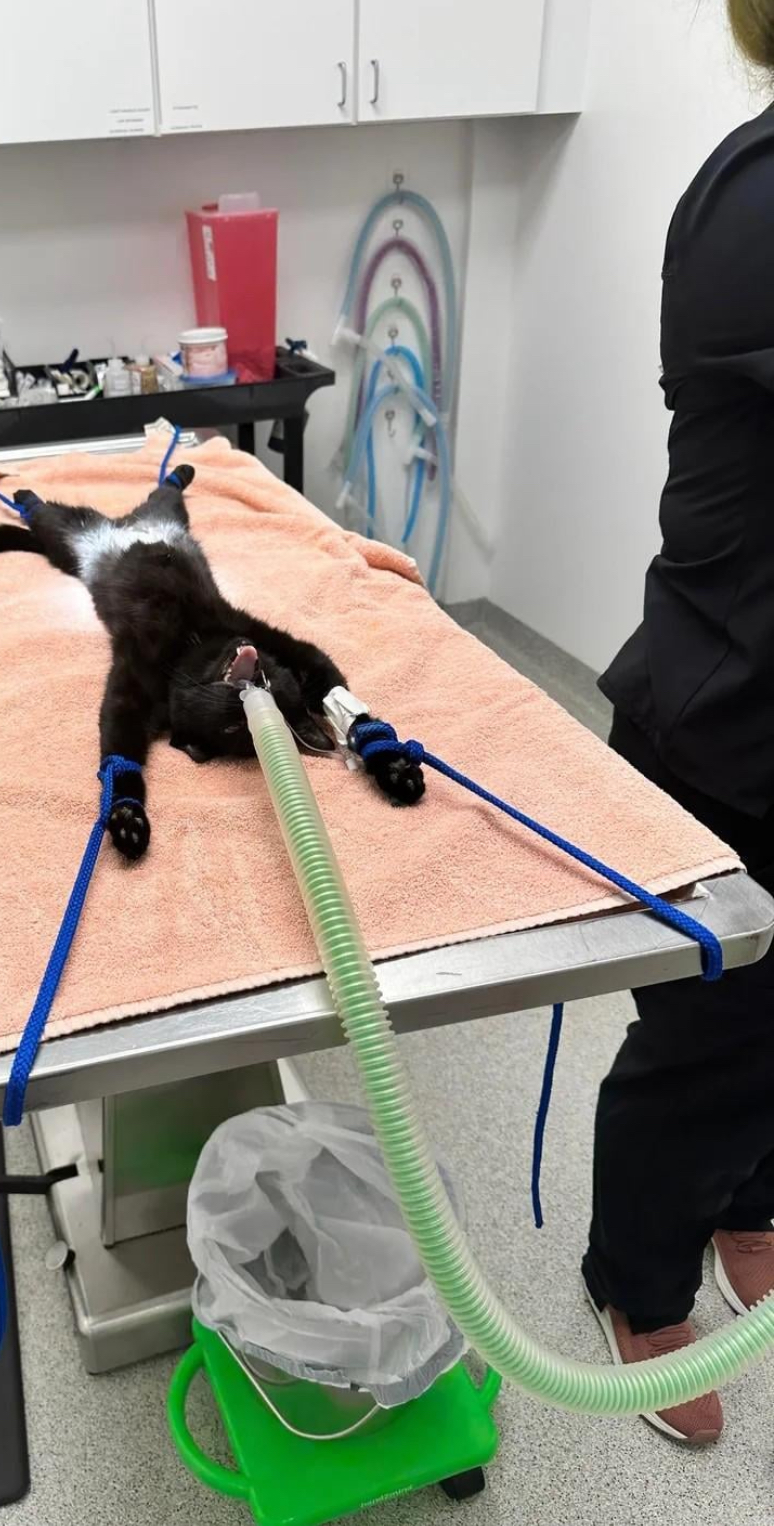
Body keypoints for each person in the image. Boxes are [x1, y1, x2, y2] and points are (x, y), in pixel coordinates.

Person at [583, 3, 774, 1446]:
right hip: (731, 728)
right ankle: (637, 1281)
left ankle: (746, 1206)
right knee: (714, 1042)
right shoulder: (754, 203)